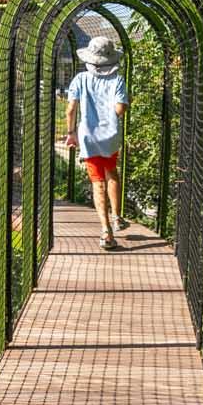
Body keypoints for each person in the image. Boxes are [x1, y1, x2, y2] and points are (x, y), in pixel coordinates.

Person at [63, 34, 131, 251]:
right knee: (112, 173)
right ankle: (117, 217)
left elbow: (71, 109)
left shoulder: (80, 80)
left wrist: (71, 133)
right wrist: (109, 114)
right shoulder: (118, 80)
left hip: (88, 136)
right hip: (110, 136)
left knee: (97, 182)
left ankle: (105, 231)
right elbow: (120, 109)